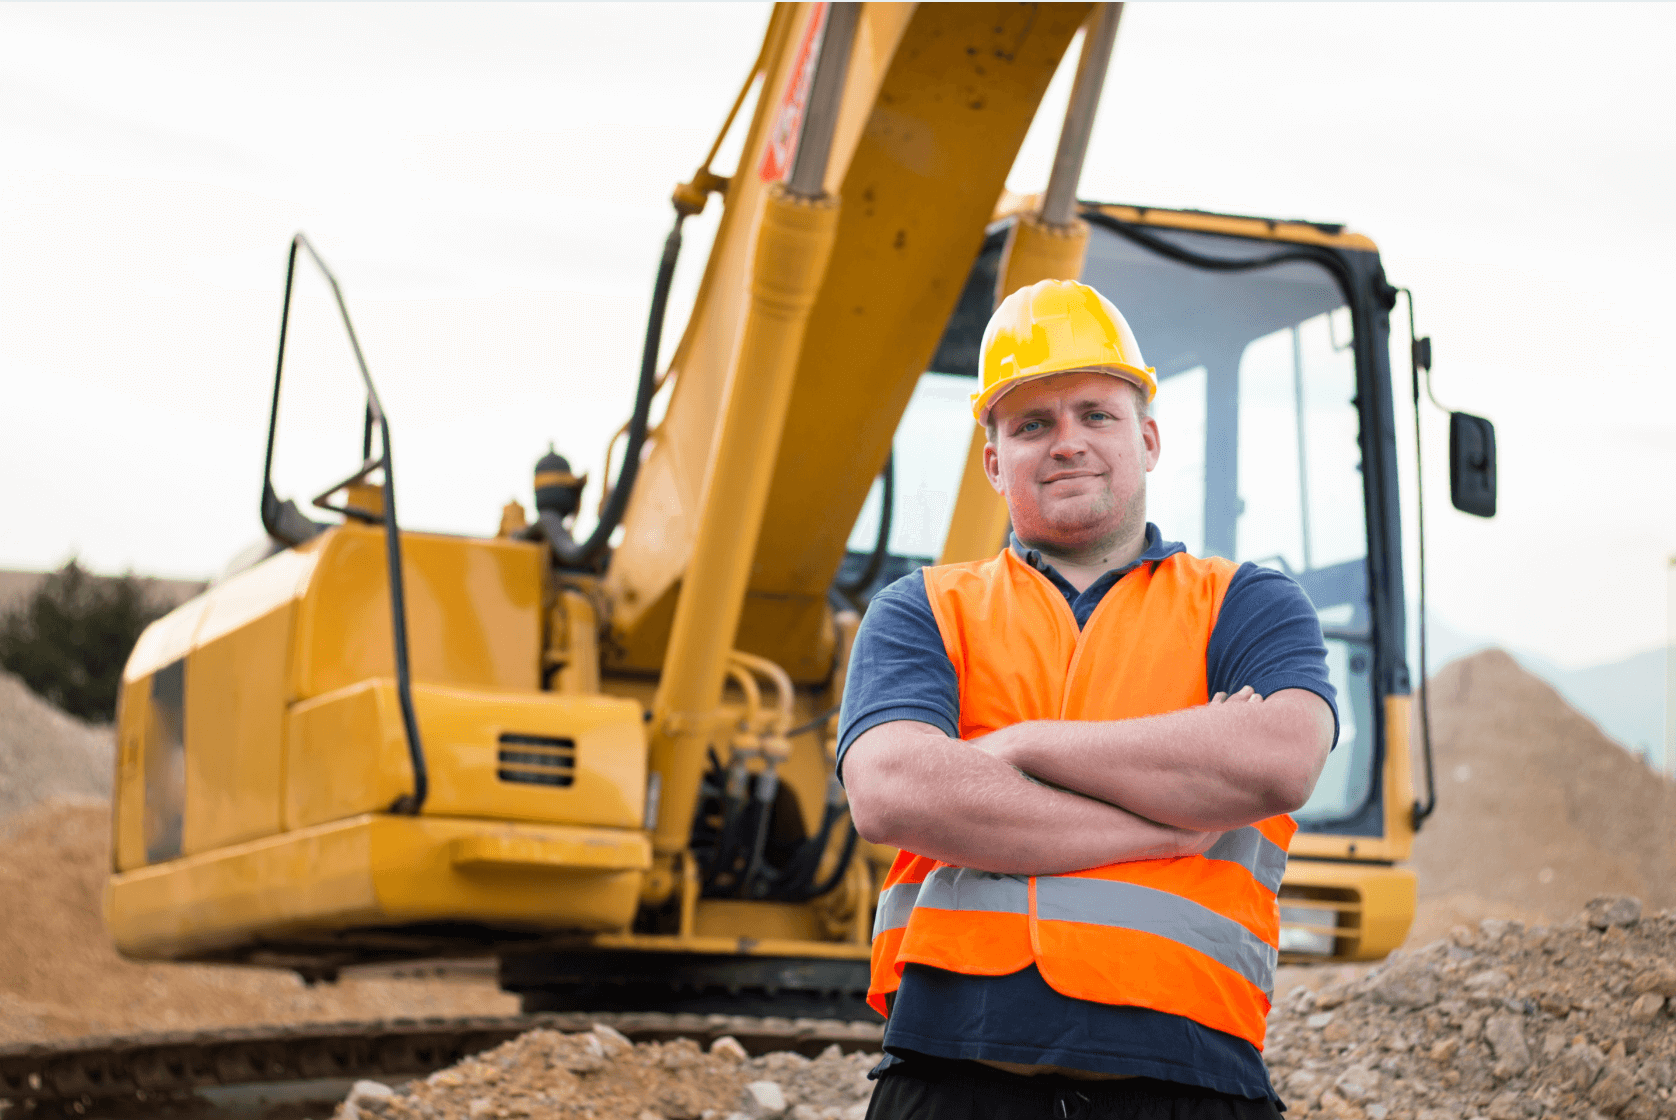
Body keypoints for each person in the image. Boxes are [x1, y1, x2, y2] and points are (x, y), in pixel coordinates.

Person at [838, 279, 1337, 1120]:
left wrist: (1023, 747)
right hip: (953, 1069)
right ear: (994, 460)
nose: (1067, 441)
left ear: (1146, 437)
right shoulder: (922, 608)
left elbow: (1281, 759)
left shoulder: (1247, 603)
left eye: (1095, 415)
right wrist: (1167, 823)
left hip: (1185, 1074)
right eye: (1033, 424)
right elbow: (893, 791)